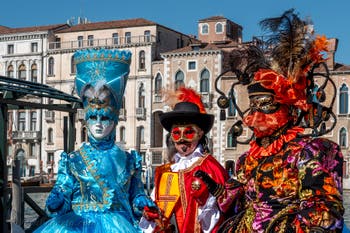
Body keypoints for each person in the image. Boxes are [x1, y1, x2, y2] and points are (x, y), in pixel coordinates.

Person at [195, 9, 345, 233]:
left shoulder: (311, 151)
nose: (253, 117)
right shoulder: (248, 159)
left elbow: (324, 210)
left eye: (265, 105)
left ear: (289, 107)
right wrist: (218, 191)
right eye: (253, 106)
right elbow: (241, 204)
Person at [34, 49, 155, 233]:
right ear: (86, 120)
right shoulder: (73, 159)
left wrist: (142, 201)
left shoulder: (129, 160)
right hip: (77, 226)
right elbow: (63, 191)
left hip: (118, 226)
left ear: (114, 122)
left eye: (104, 118)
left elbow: (135, 194)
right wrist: (57, 199)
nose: (98, 124)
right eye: (93, 118)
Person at [139, 87, 229, 233]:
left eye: (188, 132)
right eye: (176, 133)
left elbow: (224, 210)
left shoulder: (211, 167)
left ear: (199, 134)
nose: (181, 139)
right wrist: (150, 211)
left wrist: (206, 199)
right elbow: (156, 208)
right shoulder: (166, 170)